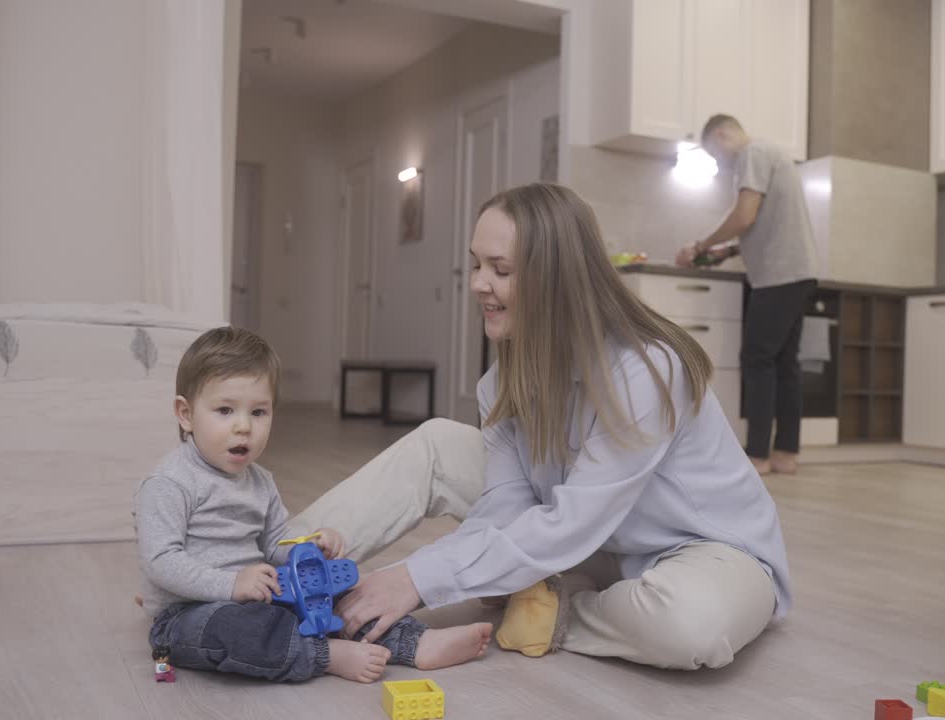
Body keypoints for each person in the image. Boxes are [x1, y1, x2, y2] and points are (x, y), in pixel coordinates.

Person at [280, 183, 791, 671]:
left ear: (556, 279)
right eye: (477, 264)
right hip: (598, 543)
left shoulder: (646, 370)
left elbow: (573, 520)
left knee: (689, 626)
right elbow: (504, 506)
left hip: (704, 549)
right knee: (439, 441)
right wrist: (420, 577)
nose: (479, 283)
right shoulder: (504, 379)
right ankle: (277, 568)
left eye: (499, 269)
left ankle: (552, 609)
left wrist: (420, 578)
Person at [133, 327, 492, 684]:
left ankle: (414, 643)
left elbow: (275, 546)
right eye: (225, 411)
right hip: (188, 615)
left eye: (258, 412)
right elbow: (161, 562)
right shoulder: (170, 483)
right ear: (185, 414)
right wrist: (231, 584)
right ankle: (324, 655)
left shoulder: (260, 482)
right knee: (235, 629)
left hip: (257, 596)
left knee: (339, 597)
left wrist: (310, 547)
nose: (244, 427)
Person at [674, 114, 820, 475]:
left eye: (714, 154)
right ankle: (785, 453)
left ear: (722, 134)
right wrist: (726, 252)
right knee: (785, 364)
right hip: (798, 272)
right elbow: (765, 224)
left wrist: (699, 245)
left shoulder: (751, 154)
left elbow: (744, 216)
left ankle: (757, 454)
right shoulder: (773, 152)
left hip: (777, 276)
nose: (719, 163)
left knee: (758, 359)